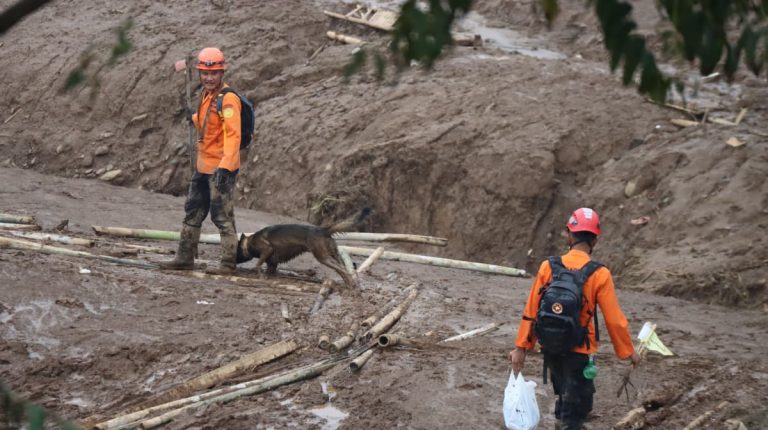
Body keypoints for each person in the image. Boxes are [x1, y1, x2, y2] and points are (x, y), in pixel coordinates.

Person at [508, 208, 641, 430]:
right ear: (594, 240)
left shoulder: (548, 266)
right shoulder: (600, 274)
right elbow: (614, 320)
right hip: (580, 350)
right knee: (575, 409)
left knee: (565, 396)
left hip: (550, 346)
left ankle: (563, 420)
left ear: (570, 236)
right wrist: (628, 352)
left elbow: (531, 310)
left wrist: (521, 347)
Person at [159, 47, 242, 274]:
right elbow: (210, 126)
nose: (209, 78)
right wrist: (194, 118)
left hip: (220, 168)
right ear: (199, 73)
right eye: (205, 73)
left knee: (222, 216)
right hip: (203, 166)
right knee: (193, 211)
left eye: (214, 73)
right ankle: (184, 258)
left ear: (222, 72)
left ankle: (228, 263)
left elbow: (233, 135)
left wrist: (226, 167)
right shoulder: (207, 96)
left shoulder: (228, 100)